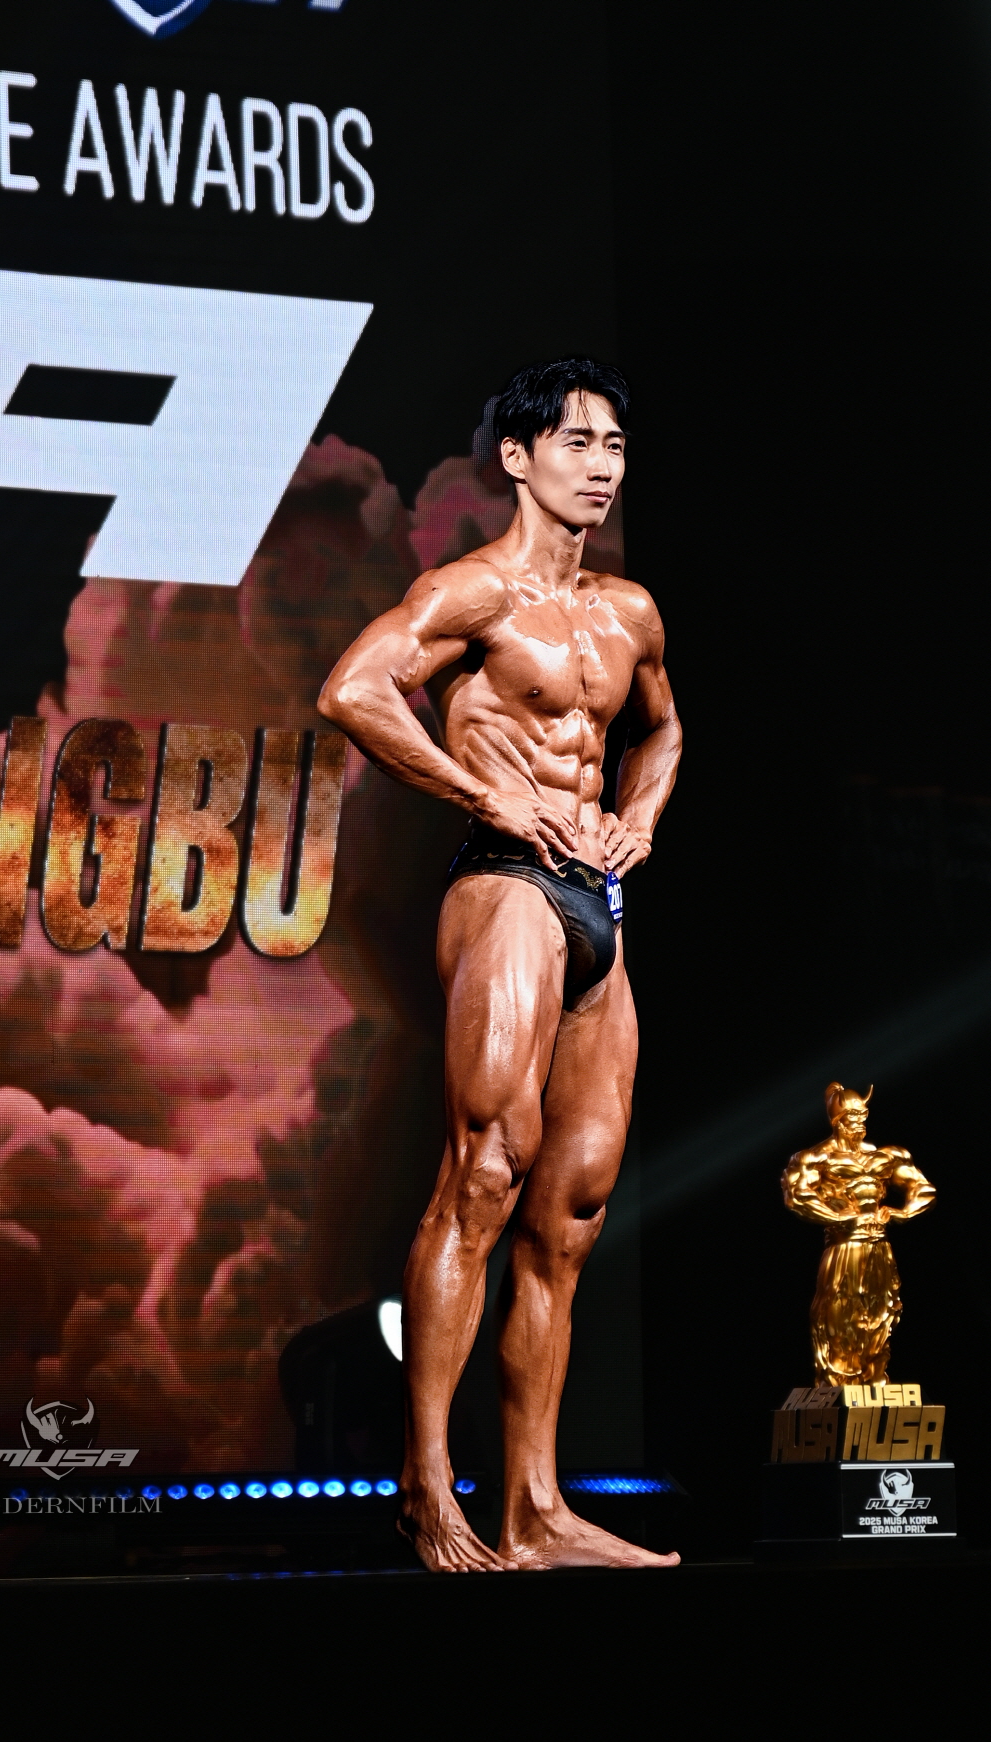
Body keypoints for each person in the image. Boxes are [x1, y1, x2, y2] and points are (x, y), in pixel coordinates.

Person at [319, 358, 682, 1571]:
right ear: (517, 459)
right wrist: (482, 792)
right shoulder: (471, 592)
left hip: (597, 906)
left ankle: (535, 1505)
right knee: (483, 1170)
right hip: (505, 886)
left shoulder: (628, 612)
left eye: (613, 444)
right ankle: (427, 1487)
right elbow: (354, 689)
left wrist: (639, 816)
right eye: (575, 441)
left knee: (568, 1213)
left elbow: (663, 728)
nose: (600, 465)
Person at [782, 1084, 935, 1388]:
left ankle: (874, 1376)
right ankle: (837, 1380)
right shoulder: (816, 1158)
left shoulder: (885, 1156)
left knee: (884, 1309)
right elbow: (797, 1196)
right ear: (837, 1120)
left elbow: (923, 1189)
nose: (860, 1122)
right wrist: (840, 1217)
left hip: (878, 1244)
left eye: (863, 1116)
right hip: (845, 1245)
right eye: (853, 1117)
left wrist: (902, 1213)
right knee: (839, 1311)